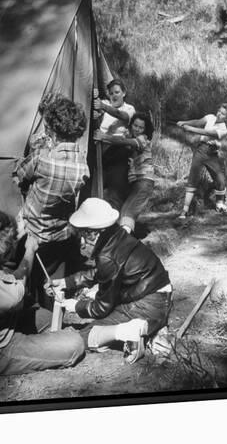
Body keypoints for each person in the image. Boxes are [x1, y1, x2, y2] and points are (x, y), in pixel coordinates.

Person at [0, 208, 85, 375]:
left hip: (4, 323)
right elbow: (20, 281)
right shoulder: (2, 295)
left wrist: (17, 231)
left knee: (46, 318)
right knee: (74, 344)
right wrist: (29, 250)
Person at [49, 198, 172, 363]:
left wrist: (75, 306)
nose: (82, 240)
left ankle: (130, 331)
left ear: (95, 232)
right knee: (104, 324)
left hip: (148, 303)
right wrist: (69, 282)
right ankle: (151, 328)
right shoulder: (117, 235)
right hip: (158, 295)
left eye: (84, 233)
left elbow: (101, 308)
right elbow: (104, 272)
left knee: (81, 338)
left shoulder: (107, 256)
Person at [14, 94, 90, 308]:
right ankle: (53, 321)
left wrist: (38, 149)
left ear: (52, 132)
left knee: (24, 285)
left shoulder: (41, 159)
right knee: (52, 287)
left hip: (31, 233)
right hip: (59, 235)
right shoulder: (83, 167)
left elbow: (19, 174)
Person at [94, 112, 155, 234]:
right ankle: (118, 241)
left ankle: (122, 243)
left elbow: (125, 142)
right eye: (135, 125)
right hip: (136, 183)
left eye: (141, 127)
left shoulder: (143, 139)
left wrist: (104, 137)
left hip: (144, 182)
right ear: (131, 125)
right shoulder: (131, 141)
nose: (137, 129)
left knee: (128, 214)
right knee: (124, 213)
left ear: (145, 130)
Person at [176, 103, 227, 219]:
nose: (219, 114)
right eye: (219, 111)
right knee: (193, 178)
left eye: (223, 114)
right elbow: (198, 122)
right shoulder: (210, 117)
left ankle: (220, 205)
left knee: (220, 179)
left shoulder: (223, 129)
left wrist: (190, 129)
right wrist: (184, 122)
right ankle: (184, 211)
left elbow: (207, 133)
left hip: (213, 154)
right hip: (201, 150)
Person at [94, 79, 135, 210]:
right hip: (101, 152)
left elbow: (121, 116)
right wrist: (94, 98)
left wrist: (104, 107)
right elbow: (94, 106)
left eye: (117, 92)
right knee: (97, 191)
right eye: (111, 93)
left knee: (115, 193)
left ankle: (116, 224)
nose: (114, 96)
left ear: (124, 93)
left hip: (119, 152)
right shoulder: (105, 103)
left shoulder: (129, 109)